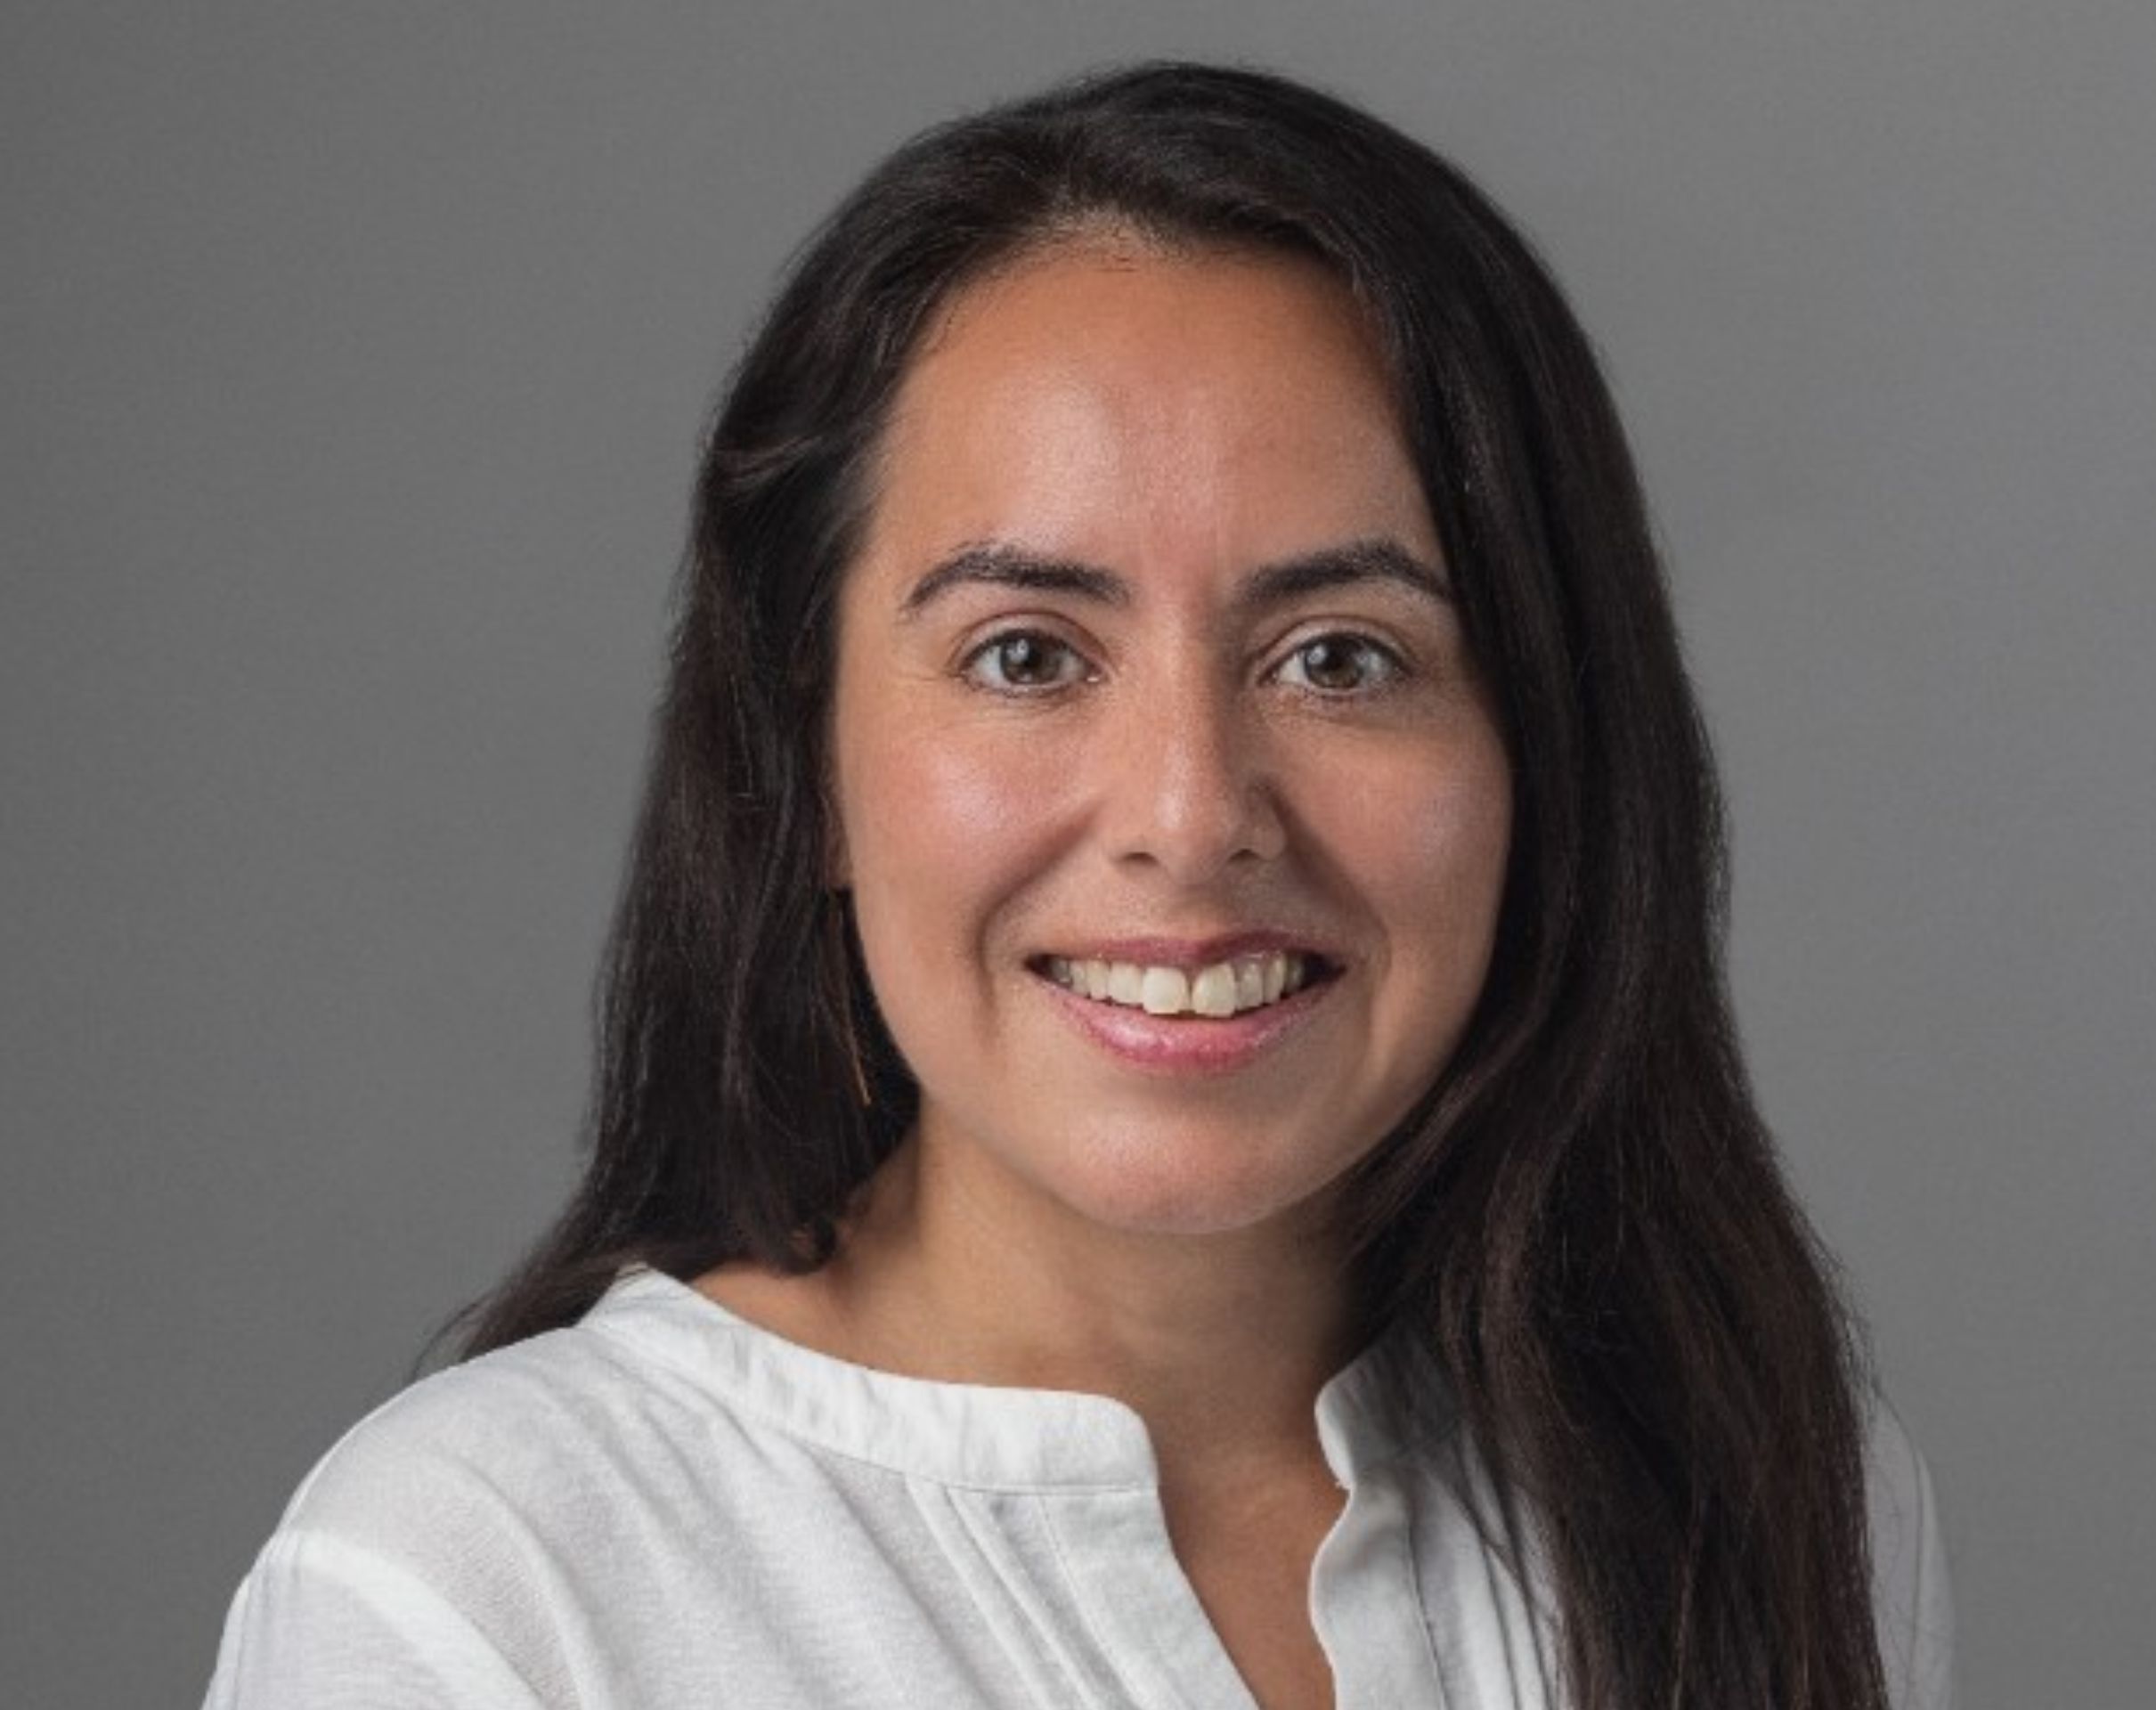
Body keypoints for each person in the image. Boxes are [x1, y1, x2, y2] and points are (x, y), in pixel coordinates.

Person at [204, 61, 1952, 1710]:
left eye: (1338, 659)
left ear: (1543, 764)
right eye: (1027, 653)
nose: (1190, 819)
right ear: (799, 762)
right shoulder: (483, 1600)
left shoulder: (1758, 1484)